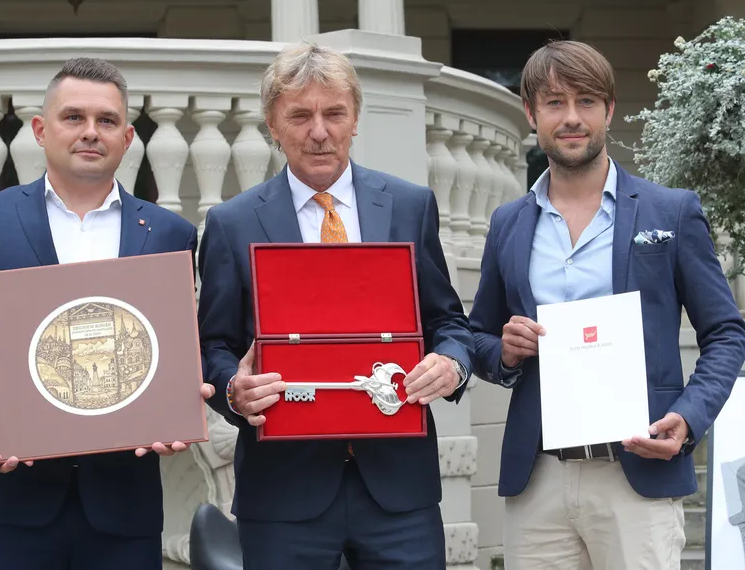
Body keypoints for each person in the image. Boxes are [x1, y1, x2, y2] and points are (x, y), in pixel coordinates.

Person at [468, 40, 745, 569]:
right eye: (555, 103)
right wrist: (503, 351)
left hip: (636, 474)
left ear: (609, 110)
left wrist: (688, 417)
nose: (572, 117)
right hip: (538, 479)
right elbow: (477, 335)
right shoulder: (508, 223)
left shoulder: (671, 211)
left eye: (587, 101)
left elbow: (727, 334)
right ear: (530, 114)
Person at [197, 41, 474, 569]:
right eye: (300, 116)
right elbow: (213, 344)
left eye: (334, 114)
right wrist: (234, 389)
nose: (319, 131)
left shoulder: (410, 206)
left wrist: (452, 363)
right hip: (282, 493)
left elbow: (448, 322)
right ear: (273, 125)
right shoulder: (232, 224)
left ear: (355, 120)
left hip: (399, 490)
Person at [0, 57, 214, 570]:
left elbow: (178, 347)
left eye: (106, 120)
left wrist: (181, 403)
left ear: (127, 138)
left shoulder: (170, 234)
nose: (91, 132)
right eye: (74, 117)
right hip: (11, 498)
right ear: (40, 130)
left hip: (124, 505)